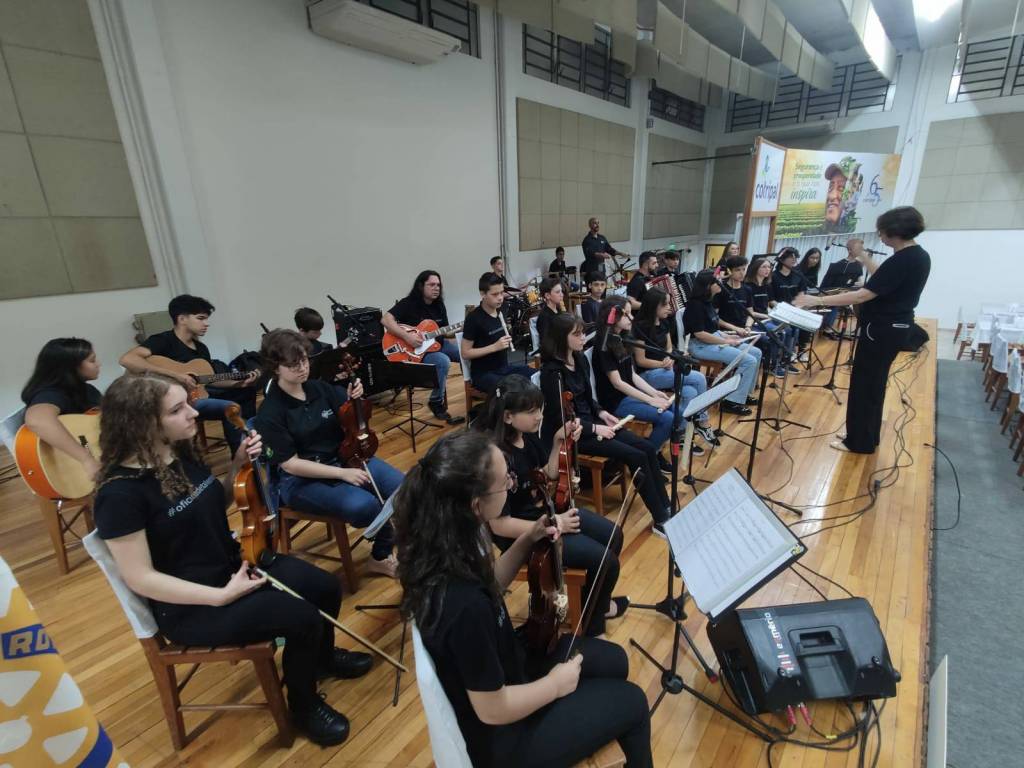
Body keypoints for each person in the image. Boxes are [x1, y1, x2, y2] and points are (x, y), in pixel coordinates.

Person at [92, 373, 372, 746]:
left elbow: (211, 503)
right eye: (177, 410)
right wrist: (221, 596)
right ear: (142, 423)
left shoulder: (177, 453)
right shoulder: (118, 495)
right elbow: (139, 577)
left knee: (323, 587)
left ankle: (320, 661)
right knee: (301, 618)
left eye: (188, 403)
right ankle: (303, 705)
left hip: (232, 567)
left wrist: (238, 463)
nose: (194, 413)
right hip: (194, 606)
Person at [392, 430, 653, 768]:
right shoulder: (461, 603)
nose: (512, 485)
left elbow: (491, 584)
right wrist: (554, 685)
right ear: (476, 504)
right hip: (504, 740)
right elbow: (492, 709)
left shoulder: (450, 539)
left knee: (616, 661)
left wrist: (529, 537)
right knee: (634, 702)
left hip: (512, 662)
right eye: (506, 482)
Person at [473, 375, 629, 635]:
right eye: (532, 411)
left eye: (540, 409)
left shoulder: (527, 436)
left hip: (548, 514)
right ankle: (592, 628)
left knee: (614, 535)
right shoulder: (495, 457)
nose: (540, 416)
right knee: (606, 562)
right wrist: (556, 524)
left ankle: (594, 606)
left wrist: (558, 442)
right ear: (508, 416)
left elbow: (546, 474)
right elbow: (500, 526)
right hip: (523, 535)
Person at [254, 329, 402, 577]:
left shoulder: (318, 388)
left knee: (403, 488)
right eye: (293, 364)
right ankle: (381, 556)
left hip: (345, 457)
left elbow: (349, 415)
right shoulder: (270, 413)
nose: (302, 368)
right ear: (275, 367)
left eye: (304, 360)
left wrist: (354, 397)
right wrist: (342, 474)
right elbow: (290, 465)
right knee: (366, 506)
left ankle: (386, 548)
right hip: (301, 480)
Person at [795, 207, 931, 454]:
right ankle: (866, 434)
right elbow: (883, 278)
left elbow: (863, 295)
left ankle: (858, 442)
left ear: (894, 232)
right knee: (874, 384)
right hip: (894, 327)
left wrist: (816, 300)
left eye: (882, 231)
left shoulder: (903, 259)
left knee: (865, 385)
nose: (880, 236)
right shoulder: (917, 255)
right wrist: (862, 256)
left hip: (881, 329)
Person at [540, 313, 672, 535]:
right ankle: (660, 519)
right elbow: (558, 418)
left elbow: (587, 398)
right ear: (562, 337)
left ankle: (666, 507)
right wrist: (595, 427)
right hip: (573, 434)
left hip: (592, 423)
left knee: (647, 447)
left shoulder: (579, 359)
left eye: (583, 333)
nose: (583, 338)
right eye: (577, 334)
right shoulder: (552, 373)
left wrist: (602, 413)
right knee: (635, 456)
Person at [119, 294, 259, 454]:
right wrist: (176, 375)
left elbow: (209, 380)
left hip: (195, 397)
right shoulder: (163, 340)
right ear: (182, 319)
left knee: (246, 391)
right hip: (169, 402)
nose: (206, 324)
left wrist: (238, 383)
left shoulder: (201, 348)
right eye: (201, 318)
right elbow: (127, 359)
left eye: (206, 319)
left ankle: (245, 452)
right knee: (230, 407)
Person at [590, 296, 680, 463]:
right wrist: (650, 400)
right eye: (627, 314)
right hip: (615, 402)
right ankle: (648, 459)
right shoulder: (603, 345)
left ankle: (653, 452)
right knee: (667, 418)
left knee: (673, 409)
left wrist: (654, 393)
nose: (631, 318)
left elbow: (632, 375)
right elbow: (617, 383)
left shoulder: (622, 338)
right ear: (613, 317)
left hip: (628, 396)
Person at [631, 288, 718, 447]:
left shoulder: (664, 322)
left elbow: (669, 348)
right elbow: (641, 360)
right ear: (653, 306)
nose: (669, 307)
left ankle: (679, 435)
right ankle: (702, 422)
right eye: (665, 304)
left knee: (690, 392)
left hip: (665, 370)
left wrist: (669, 358)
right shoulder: (640, 326)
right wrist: (663, 364)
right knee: (699, 378)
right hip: (647, 375)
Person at [382, 270, 464, 425]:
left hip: (438, 343)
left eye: (438, 285)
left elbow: (445, 332)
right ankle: (436, 401)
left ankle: (473, 387)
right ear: (421, 286)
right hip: (416, 351)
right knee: (443, 361)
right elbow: (386, 320)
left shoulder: (439, 305)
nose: (436, 288)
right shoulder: (408, 303)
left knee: (464, 352)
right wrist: (407, 337)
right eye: (431, 285)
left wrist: (460, 328)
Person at [21, 337, 103, 479]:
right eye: (92, 360)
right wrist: (86, 459)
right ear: (71, 366)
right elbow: (37, 421)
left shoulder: (87, 390)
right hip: (74, 470)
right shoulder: (52, 394)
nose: (98, 364)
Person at [683, 271, 763, 416]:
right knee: (749, 360)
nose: (720, 283)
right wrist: (726, 341)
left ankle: (743, 393)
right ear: (708, 286)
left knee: (756, 352)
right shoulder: (695, 305)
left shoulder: (708, 301)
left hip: (713, 339)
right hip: (701, 345)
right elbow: (700, 334)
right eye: (717, 282)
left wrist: (729, 335)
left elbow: (713, 325)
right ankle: (731, 402)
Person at [462, 274, 535, 393]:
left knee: (537, 375)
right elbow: (465, 353)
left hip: (504, 368)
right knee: (512, 389)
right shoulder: (473, 318)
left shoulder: (500, 311)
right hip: (483, 374)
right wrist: (494, 347)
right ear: (483, 294)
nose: (500, 298)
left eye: (501, 293)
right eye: (495, 294)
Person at [742, 257, 797, 378]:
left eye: (769, 267)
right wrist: (768, 316)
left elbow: (769, 303)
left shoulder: (767, 285)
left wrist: (781, 312)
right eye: (764, 267)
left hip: (766, 317)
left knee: (789, 329)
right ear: (756, 269)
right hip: (755, 319)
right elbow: (750, 312)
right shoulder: (748, 286)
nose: (767, 269)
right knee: (776, 332)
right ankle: (773, 365)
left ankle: (785, 360)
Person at [771, 248, 811, 362]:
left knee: (806, 321)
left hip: (795, 308)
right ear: (782, 259)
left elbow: (801, 294)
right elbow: (771, 300)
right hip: (779, 309)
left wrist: (797, 307)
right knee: (792, 326)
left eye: (795, 257)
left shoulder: (798, 275)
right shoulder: (773, 276)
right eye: (791, 257)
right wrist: (785, 309)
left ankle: (800, 350)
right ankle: (789, 352)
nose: (794, 260)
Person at [819, 239, 866, 334]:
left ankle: (861, 326)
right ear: (850, 250)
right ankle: (827, 327)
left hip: (848, 293)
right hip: (834, 292)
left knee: (861, 301)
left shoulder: (858, 266)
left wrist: (860, 284)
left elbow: (859, 281)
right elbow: (826, 283)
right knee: (837, 301)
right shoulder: (837, 265)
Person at [534, 276, 564, 344]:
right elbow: (546, 342)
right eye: (558, 292)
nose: (562, 294)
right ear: (547, 295)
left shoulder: (558, 310)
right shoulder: (544, 317)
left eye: (561, 291)